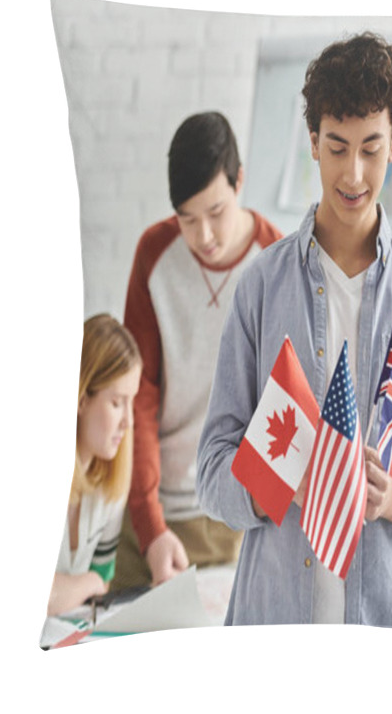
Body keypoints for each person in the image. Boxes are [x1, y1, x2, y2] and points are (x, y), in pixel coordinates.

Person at [195, 32, 392, 627]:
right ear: (313, 143)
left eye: (371, 148)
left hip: (383, 624)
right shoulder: (261, 288)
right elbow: (213, 466)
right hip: (271, 622)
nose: (353, 173)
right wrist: (278, 483)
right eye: (337, 147)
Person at [113, 112, 283, 589]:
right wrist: (150, 525)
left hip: (237, 518)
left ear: (240, 181)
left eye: (215, 213)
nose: (203, 236)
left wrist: (261, 508)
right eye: (187, 219)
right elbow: (138, 395)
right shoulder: (155, 254)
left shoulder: (277, 263)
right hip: (153, 515)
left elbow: (283, 409)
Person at [48, 315, 142, 616]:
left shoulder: (110, 486)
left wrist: (81, 586)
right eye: (117, 402)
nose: (128, 422)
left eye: (132, 402)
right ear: (81, 398)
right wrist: (87, 581)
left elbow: (100, 589)